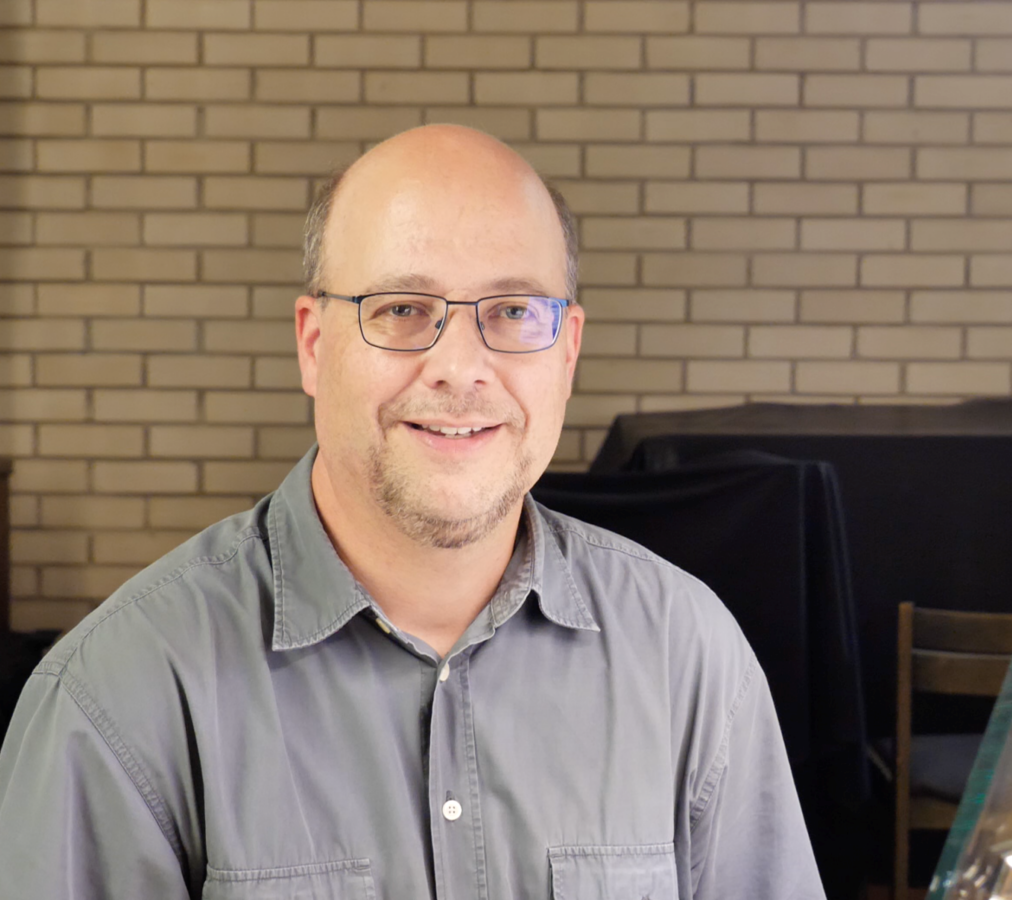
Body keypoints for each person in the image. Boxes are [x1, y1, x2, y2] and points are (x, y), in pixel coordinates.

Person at [0, 125, 824, 899]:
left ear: (567, 352)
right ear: (313, 345)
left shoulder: (688, 656)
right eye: (401, 310)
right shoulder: (118, 694)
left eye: (512, 312)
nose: (459, 368)